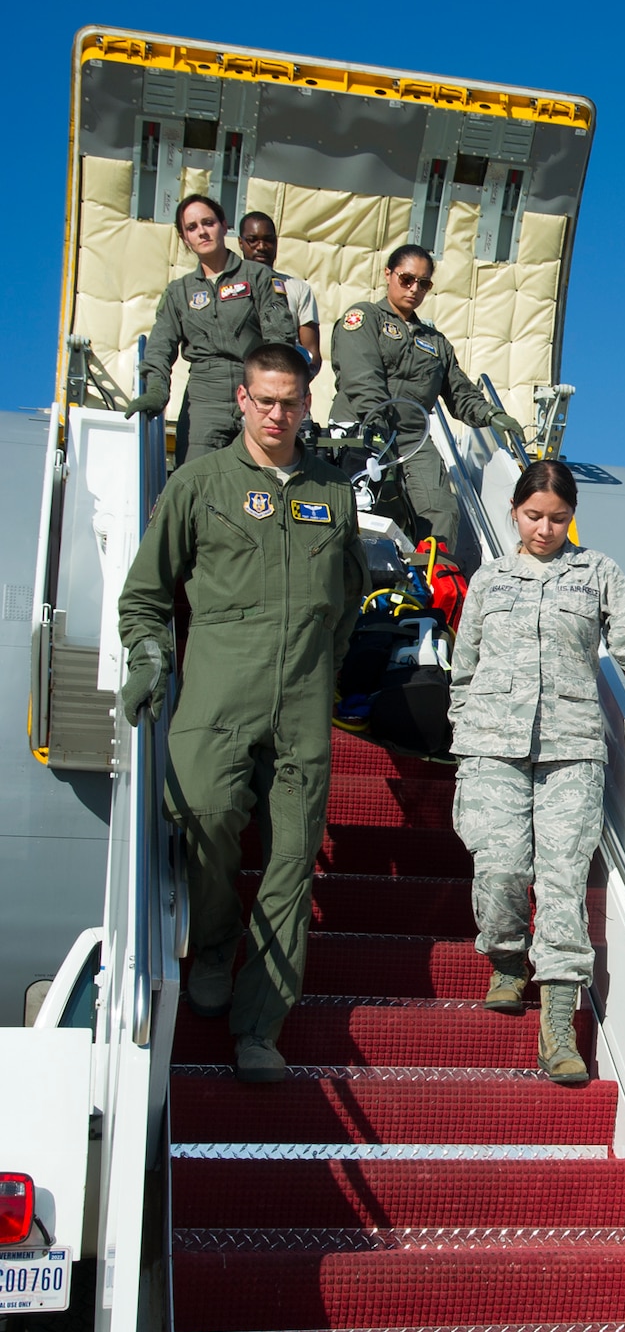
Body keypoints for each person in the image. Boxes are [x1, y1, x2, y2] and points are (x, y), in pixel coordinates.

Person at [118, 342, 370, 1083]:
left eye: (290, 401)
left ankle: (259, 1027)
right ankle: (217, 940)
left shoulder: (334, 490)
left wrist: (320, 665)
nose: (277, 414)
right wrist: (147, 655)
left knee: (292, 862)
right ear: (240, 400)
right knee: (203, 817)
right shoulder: (200, 484)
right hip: (218, 691)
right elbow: (145, 596)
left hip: (301, 700)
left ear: (307, 402)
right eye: (264, 399)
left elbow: (349, 596)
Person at [448, 459, 625, 1085]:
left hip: (571, 748)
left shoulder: (596, 573)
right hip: (492, 745)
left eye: (558, 518)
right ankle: (504, 958)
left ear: (572, 517)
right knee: (499, 867)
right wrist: (462, 736)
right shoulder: (489, 580)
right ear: (514, 512)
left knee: (561, 883)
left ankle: (557, 1030)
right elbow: (463, 667)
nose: (545, 529)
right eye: (533, 516)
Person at [330, 243, 525, 550]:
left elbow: (460, 393)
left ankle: (437, 581)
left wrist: (491, 415)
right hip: (362, 425)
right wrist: (376, 427)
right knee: (362, 504)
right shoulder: (365, 318)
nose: (414, 289)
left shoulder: (436, 343)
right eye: (406, 279)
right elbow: (362, 377)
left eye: (424, 283)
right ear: (388, 274)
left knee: (441, 508)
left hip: (412, 437)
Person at [128, 196, 296, 462]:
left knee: (258, 482)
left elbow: (281, 339)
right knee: (196, 481)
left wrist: (274, 394)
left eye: (208, 222)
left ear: (223, 226)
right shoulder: (178, 293)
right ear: (185, 239)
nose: (202, 231)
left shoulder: (259, 277)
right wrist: (157, 390)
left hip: (255, 392)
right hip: (203, 398)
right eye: (192, 227)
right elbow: (161, 347)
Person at [237, 211, 323, 375]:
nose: (261, 247)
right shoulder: (227, 287)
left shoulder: (298, 288)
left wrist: (296, 385)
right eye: (253, 240)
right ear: (241, 243)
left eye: (268, 240)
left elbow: (312, 355)